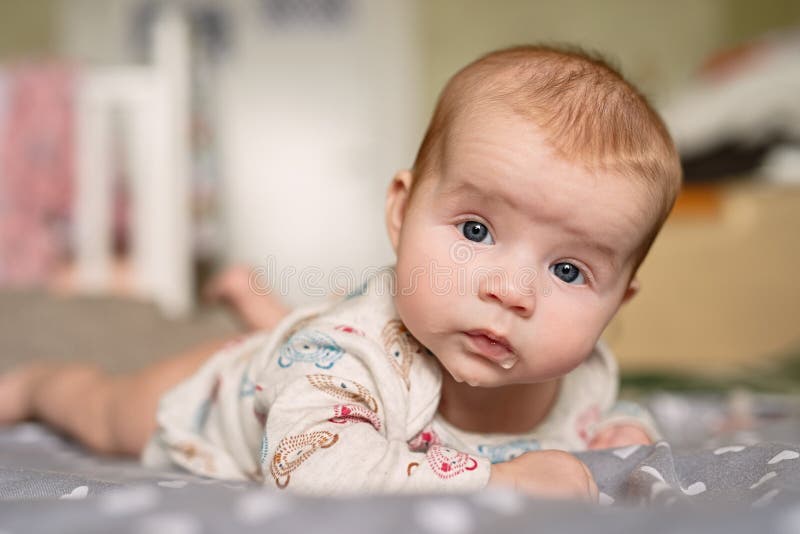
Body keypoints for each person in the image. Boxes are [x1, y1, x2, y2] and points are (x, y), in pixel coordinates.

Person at [0, 45, 681, 500]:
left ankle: (268, 313)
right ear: (402, 210)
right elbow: (316, 466)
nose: (511, 290)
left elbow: (595, 412)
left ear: (619, 299)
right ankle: (34, 385)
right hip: (220, 396)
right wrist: (497, 481)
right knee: (100, 410)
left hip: (314, 355)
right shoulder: (348, 352)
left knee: (330, 331)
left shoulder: (582, 370)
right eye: (476, 230)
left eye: (567, 270)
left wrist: (623, 429)